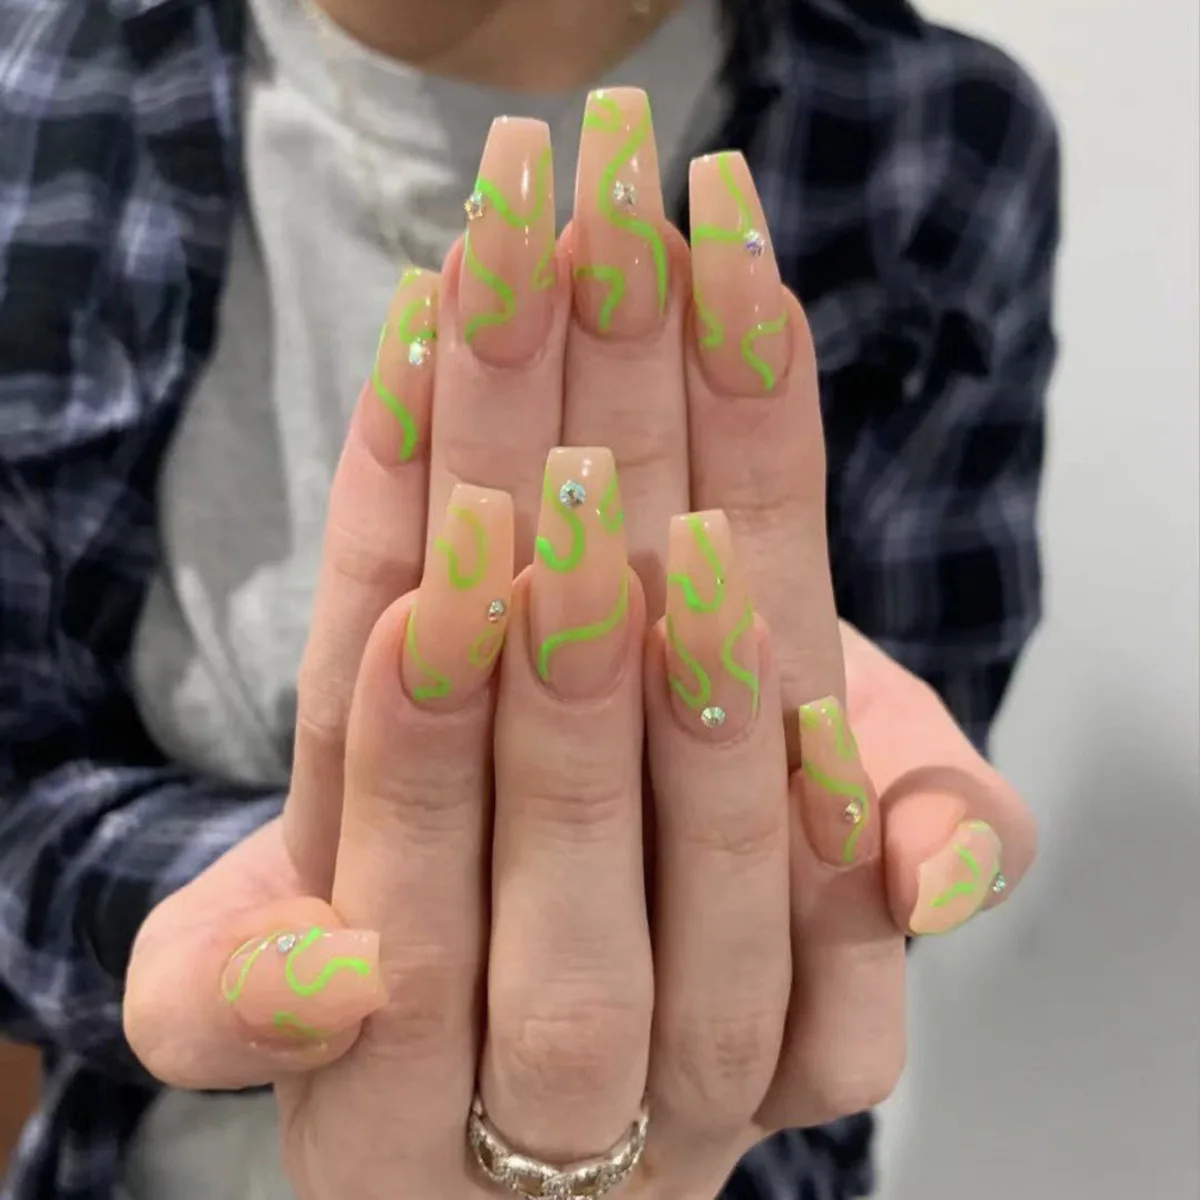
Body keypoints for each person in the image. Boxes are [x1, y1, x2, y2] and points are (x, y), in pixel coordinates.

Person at [0, 1, 1059, 1198]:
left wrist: (826, 843)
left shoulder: (939, 140)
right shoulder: (40, 78)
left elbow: (869, 840)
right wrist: (309, 902)